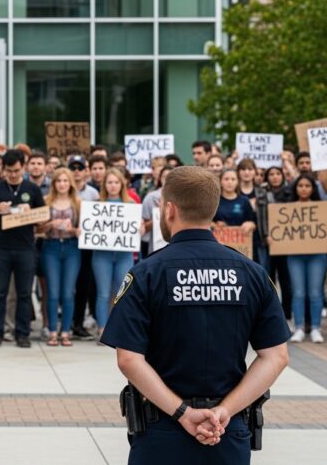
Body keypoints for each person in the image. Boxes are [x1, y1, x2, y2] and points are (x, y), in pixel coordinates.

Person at [101, 166, 290, 464]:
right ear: (212, 210)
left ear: (169, 209)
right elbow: (276, 357)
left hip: (161, 428)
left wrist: (183, 413)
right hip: (226, 429)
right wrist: (224, 411)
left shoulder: (146, 273)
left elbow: (128, 359)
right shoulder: (252, 273)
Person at [0, 150, 45, 348]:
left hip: (25, 248)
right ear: (3, 169)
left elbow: (43, 218)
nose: (13, 174)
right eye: (9, 171)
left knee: (24, 293)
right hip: (1, 248)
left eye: (17, 170)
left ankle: (23, 334)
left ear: (23, 167)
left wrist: (30, 212)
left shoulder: (32, 188)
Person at [281, 175, 327, 344]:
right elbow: (281, 231)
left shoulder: (321, 208)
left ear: (313, 188)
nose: (303, 188)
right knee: (298, 293)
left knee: (315, 293)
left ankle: (316, 328)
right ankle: (299, 327)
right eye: (300, 185)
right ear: (295, 188)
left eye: (307, 185)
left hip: (317, 255)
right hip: (295, 256)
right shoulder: (287, 210)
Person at [37, 168, 81, 347]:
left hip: (72, 248)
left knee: (68, 292)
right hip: (51, 247)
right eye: (58, 181)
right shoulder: (46, 201)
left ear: (70, 183)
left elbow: (84, 230)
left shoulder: (78, 203)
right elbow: (37, 229)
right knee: (53, 292)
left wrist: (73, 230)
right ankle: (52, 330)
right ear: (53, 183)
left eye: (65, 181)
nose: (62, 184)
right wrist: (49, 225)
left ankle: (66, 331)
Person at [92, 168, 137, 338]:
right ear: (104, 185)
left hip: (124, 256)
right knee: (103, 294)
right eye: (109, 182)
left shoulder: (130, 204)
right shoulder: (97, 204)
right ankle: (102, 329)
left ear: (122, 184)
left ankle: (119, 329)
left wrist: (139, 228)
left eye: (116, 182)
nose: (113, 185)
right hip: (101, 256)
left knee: (122, 294)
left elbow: (134, 228)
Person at [69, 155, 99, 340]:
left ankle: (78, 323)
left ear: (86, 171)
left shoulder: (94, 194)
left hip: (87, 245)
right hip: (70, 242)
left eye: (80, 168)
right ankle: (67, 321)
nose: (76, 171)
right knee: (67, 286)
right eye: (73, 168)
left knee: (84, 284)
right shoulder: (64, 190)